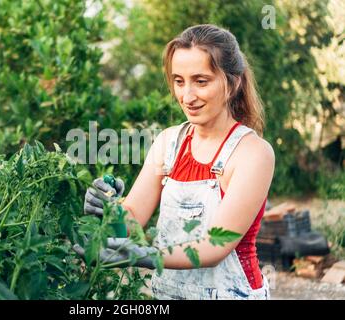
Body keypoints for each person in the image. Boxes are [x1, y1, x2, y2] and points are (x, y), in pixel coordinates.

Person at [78, 24, 275, 300]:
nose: (187, 96)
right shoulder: (169, 142)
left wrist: (143, 256)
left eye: (201, 81)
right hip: (167, 295)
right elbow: (134, 218)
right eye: (179, 81)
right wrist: (108, 209)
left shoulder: (252, 153)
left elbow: (214, 247)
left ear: (233, 82)